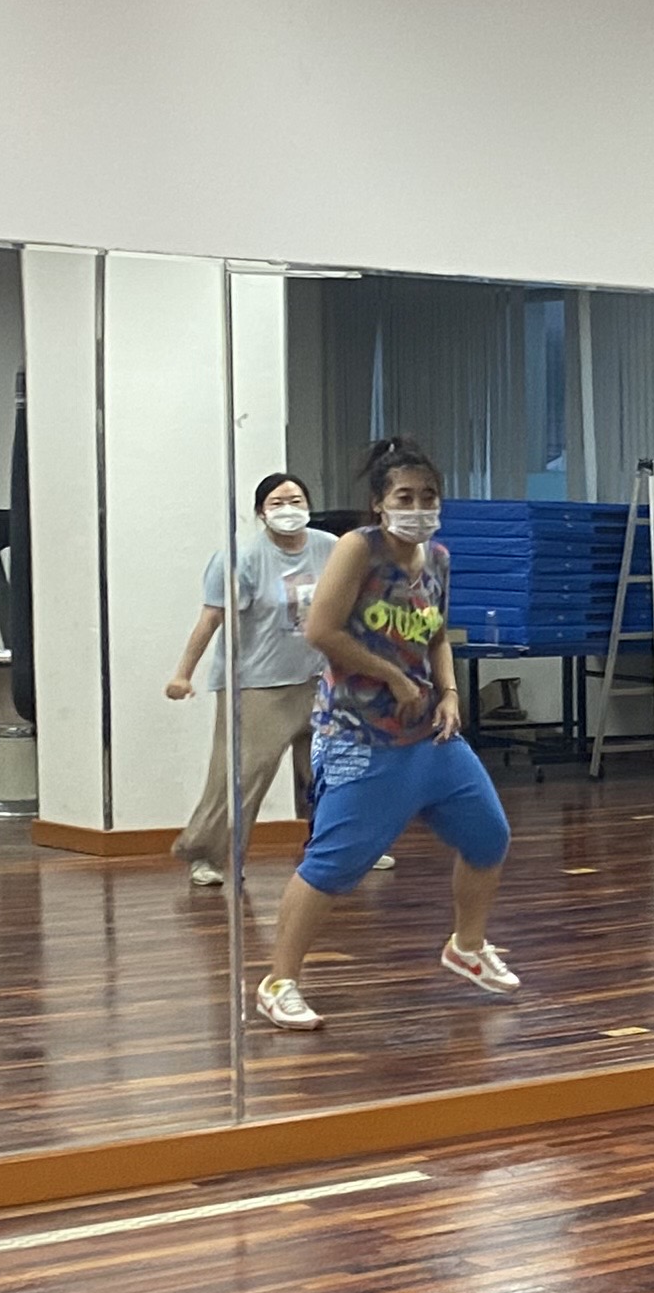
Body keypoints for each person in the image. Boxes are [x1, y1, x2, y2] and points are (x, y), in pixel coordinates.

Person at [254, 435, 518, 1031]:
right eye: (405, 496)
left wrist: (449, 693)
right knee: (332, 866)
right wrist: (393, 677)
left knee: (488, 837)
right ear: (379, 502)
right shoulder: (359, 549)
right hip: (360, 738)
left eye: (428, 496)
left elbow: (437, 635)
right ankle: (279, 982)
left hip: (431, 737)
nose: (418, 507)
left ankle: (467, 947)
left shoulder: (438, 558)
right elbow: (321, 631)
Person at [170, 473, 332, 890]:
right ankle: (208, 854)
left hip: (319, 679)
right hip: (258, 685)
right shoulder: (240, 558)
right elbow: (211, 619)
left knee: (332, 772)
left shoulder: (330, 549)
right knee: (243, 776)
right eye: (277, 503)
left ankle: (342, 848)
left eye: (296, 500)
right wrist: (183, 674)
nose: (288, 509)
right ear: (261, 512)